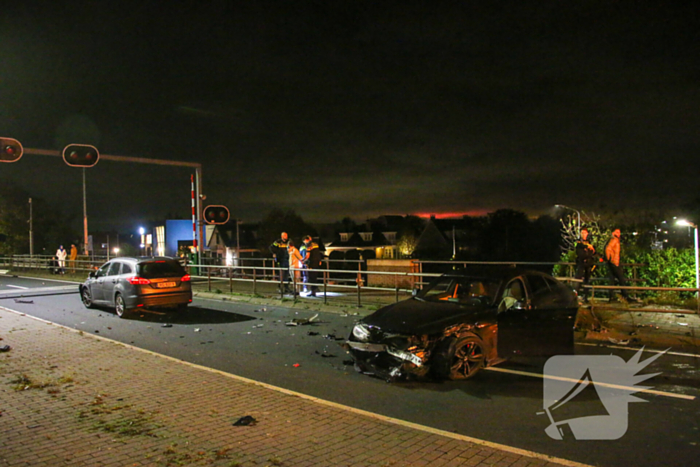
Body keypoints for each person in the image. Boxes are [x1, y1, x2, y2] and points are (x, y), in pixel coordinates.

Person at [604, 228, 630, 301]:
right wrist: (611, 259)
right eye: (617, 232)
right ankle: (625, 295)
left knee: (612, 280)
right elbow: (608, 249)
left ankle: (611, 296)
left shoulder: (613, 239)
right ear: (614, 232)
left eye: (619, 232)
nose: (619, 233)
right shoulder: (614, 240)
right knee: (621, 279)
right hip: (614, 263)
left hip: (612, 262)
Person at [574, 229, 596, 302]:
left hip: (588, 264)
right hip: (581, 264)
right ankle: (575, 295)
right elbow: (579, 253)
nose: (584, 235)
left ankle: (585, 297)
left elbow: (593, 252)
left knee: (587, 281)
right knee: (578, 280)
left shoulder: (590, 242)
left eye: (585, 233)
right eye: (582, 233)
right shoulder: (579, 243)